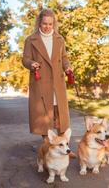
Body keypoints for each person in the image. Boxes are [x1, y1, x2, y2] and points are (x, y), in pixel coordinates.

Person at [22, 9, 75, 157]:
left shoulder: (60, 39)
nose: (47, 27)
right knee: (45, 118)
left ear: (54, 24)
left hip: (57, 83)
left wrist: (67, 67)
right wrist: (31, 63)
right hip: (41, 83)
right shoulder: (31, 40)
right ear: (39, 22)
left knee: (61, 117)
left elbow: (64, 58)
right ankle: (47, 149)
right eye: (44, 23)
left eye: (50, 24)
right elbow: (25, 59)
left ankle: (65, 148)